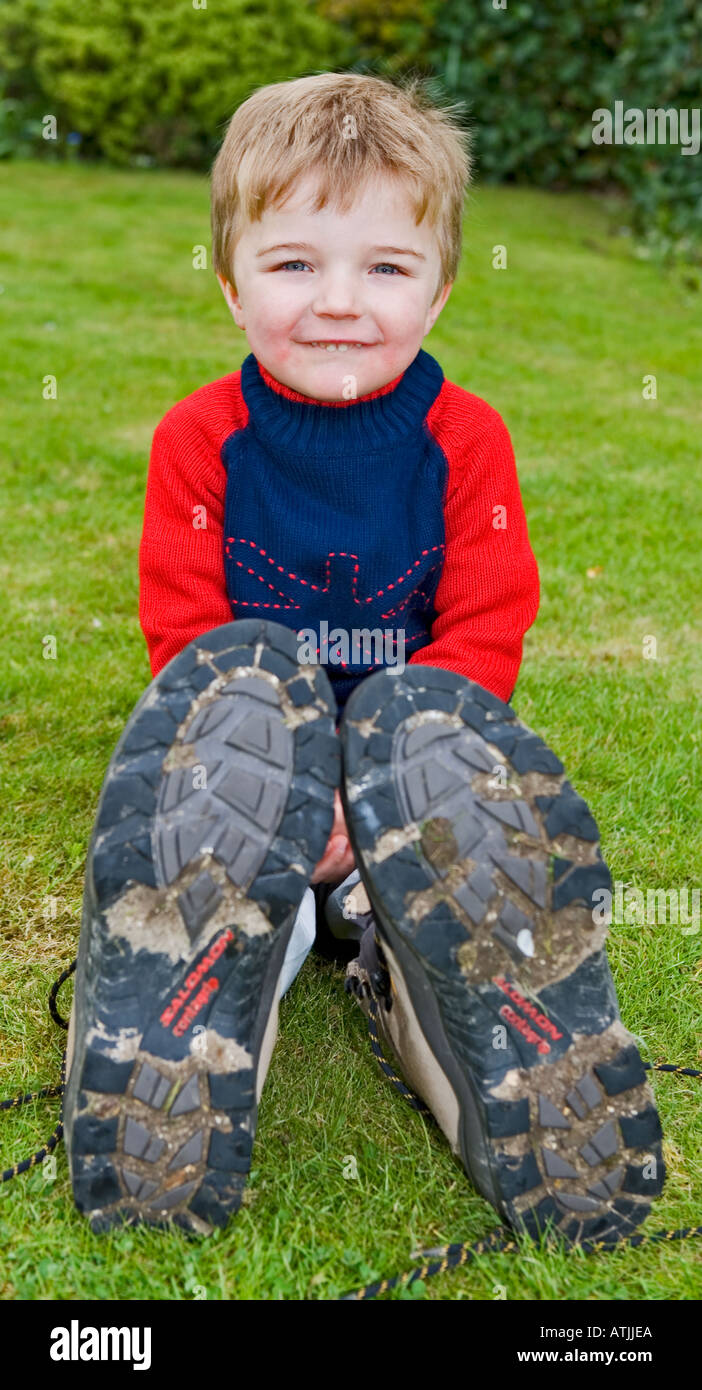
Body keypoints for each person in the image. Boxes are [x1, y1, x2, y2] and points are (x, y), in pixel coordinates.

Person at [62, 73, 663, 1245]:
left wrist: (372, 803)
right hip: (248, 781)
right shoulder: (200, 440)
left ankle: (493, 1068)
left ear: (440, 289)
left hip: (415, 780)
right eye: (295, 265)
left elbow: (485, 630)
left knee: (439, 921)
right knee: (238, 909)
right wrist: (296, 803)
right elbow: (186, 634)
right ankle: (169, 1050)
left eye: (385, 267)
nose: (339, 303)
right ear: (232, 284)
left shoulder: (467, 440)